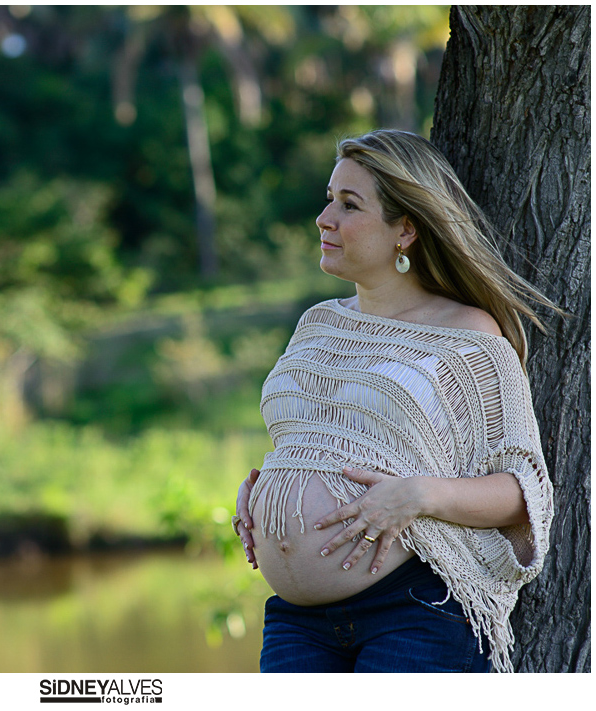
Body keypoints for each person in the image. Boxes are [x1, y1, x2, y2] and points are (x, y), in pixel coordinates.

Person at [233, 130, 558, 673]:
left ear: (405, 229)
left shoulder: (466, 339)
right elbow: (321, 443)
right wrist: (268, 490)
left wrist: (417, 495)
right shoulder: (317, 324)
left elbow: (524, 494)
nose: (324, 218)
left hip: (413, 611)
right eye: (329, 199)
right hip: (297, 622)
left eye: (349, 205)